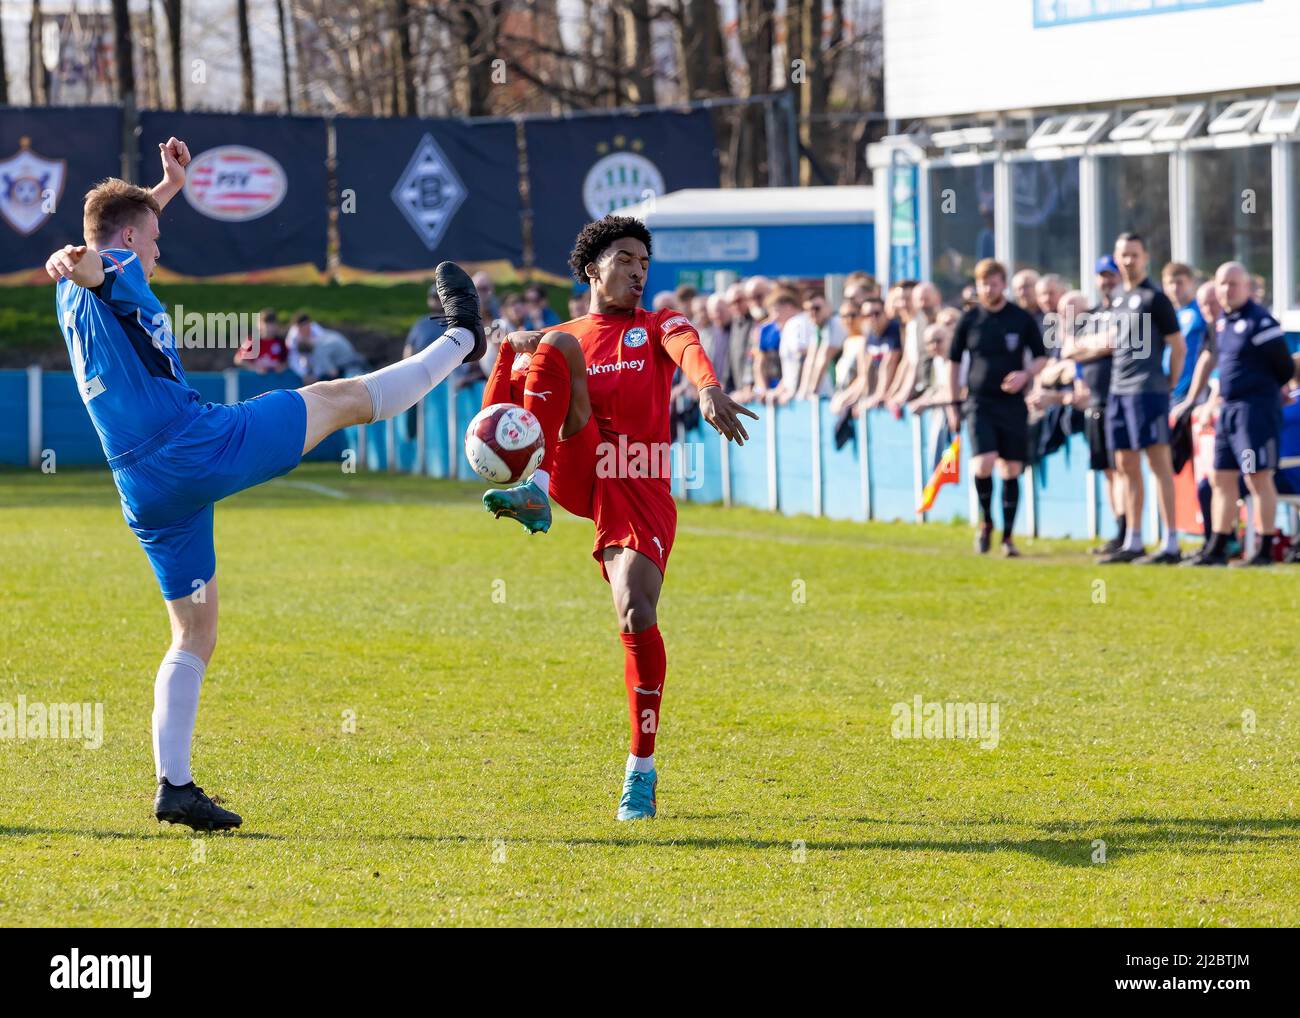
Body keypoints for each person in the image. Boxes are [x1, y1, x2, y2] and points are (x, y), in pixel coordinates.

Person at [45, 138, 487, 831]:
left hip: (142, 485)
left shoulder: (79, 298)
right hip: (194, 444)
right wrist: (79, 257)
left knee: (193, 631)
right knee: (337, 398)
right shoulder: (118, 265)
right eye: (156, 238)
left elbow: (105, 242)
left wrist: (166, 189)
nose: (159, 252)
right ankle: (463, 338)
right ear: (129, 241)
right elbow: (100, 257)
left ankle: (176, 786)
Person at [477, 216, 757, 822]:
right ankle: (538, 493)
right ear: (592, 268)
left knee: (636, 611)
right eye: (625, 258)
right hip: (578, 468)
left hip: (638, 480)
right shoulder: (562, 336)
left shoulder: (657, 325)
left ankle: (641, 769)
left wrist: (707, 387)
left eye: (644, 262)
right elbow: (498, 419)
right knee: (556, 345)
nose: (637, 270)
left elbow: (688, 347)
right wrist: (505, 353)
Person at [1175, 263, 1293, 567]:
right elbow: (1210, 360)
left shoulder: (1260, 322)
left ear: (1247, 287)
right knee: (1221, 478)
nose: (1227, 290)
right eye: (1222, 284)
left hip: (1253, 413)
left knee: (1256, 477)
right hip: (1227, 411)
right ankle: (1217, 546)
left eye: (1234, 284)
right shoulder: (1222, 323)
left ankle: (1264, 549)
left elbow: (1283, 366)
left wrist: (1262, 392)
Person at [945, 258, 1047, 557]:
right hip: (979, 401)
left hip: (1013, 404)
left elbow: (1041, 356)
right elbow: (952, 363)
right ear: (977, 286)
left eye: (994, 282)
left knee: (1012, 468)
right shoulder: (970, 320)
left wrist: (1026, 374)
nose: (989, 288)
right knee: (983, 462)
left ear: (1004, 284)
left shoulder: (1020, 318)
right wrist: (953, 404)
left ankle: (1008, 537)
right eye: (983, 283)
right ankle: (986, 522)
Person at [1099, 232, 1187, 565]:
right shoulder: (1118, 296)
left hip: (1148, 391)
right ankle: (1134, 539)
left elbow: (1178, 346)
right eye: (1123, 255)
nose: (1128, 261)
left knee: (1159, 464)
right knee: (1125, 465)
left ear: (1145, 257)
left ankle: (1171, 542)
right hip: (1118, 391)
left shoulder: (1156, 299)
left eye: (1134, 255)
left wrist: (1169, 385)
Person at [1059, 289, 1125, 555]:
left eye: (1074, 309)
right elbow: (1068, 350)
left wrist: (1084, 348)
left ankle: (1129, 531)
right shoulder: (1080, 328)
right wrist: (1090, 348)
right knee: (1108, 472)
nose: (1069, 316)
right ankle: (1119, 529)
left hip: (1116, 403)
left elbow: (1114, 342)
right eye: (1064, 312)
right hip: (1094, 406)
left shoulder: (1109, 317)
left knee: (1121, 469)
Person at [1162, 261, 1205, 403]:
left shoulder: (1202, 312)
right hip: (1168, 392)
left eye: (1180, 282)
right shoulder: (1166, 315)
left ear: (1191, 283)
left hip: (1193, 393)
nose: (1175, 288)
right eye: (1170, 283)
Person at [286, 313, 368, 383]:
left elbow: (333, 372)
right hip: (356, 359)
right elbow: (293, 359)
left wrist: (315, 376)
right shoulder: (295, 338)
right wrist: (304, 374)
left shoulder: (319, 346)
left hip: (352, 367)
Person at [233, 308, 289, 374]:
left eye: (272, 324)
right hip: (256, 381)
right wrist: (254, 368)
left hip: (275, 381)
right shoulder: (251, 340)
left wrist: (282, 367)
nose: (269, 328)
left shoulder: (280, 342)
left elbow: (288, 360)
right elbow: (238, 359)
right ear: (259, 324)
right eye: (266, 324)